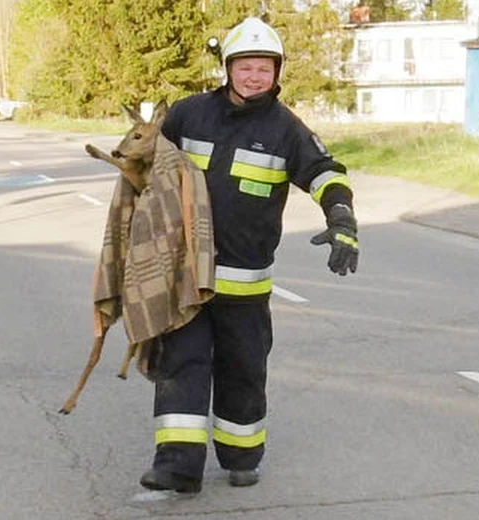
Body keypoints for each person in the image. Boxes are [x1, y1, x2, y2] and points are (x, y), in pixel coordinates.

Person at [138, 16, 359, 493]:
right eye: (246, 67)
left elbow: (324, 173)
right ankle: (177, 466)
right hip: (187, 276)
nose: (255, 77)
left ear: (276, 73)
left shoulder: (286, 130)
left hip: (245, 285)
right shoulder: (189, 114)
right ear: (228, 68)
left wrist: (341, 219)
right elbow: (148, 169)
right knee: (181, 366)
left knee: (243, 372)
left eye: (264, 68)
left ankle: (241, 457)